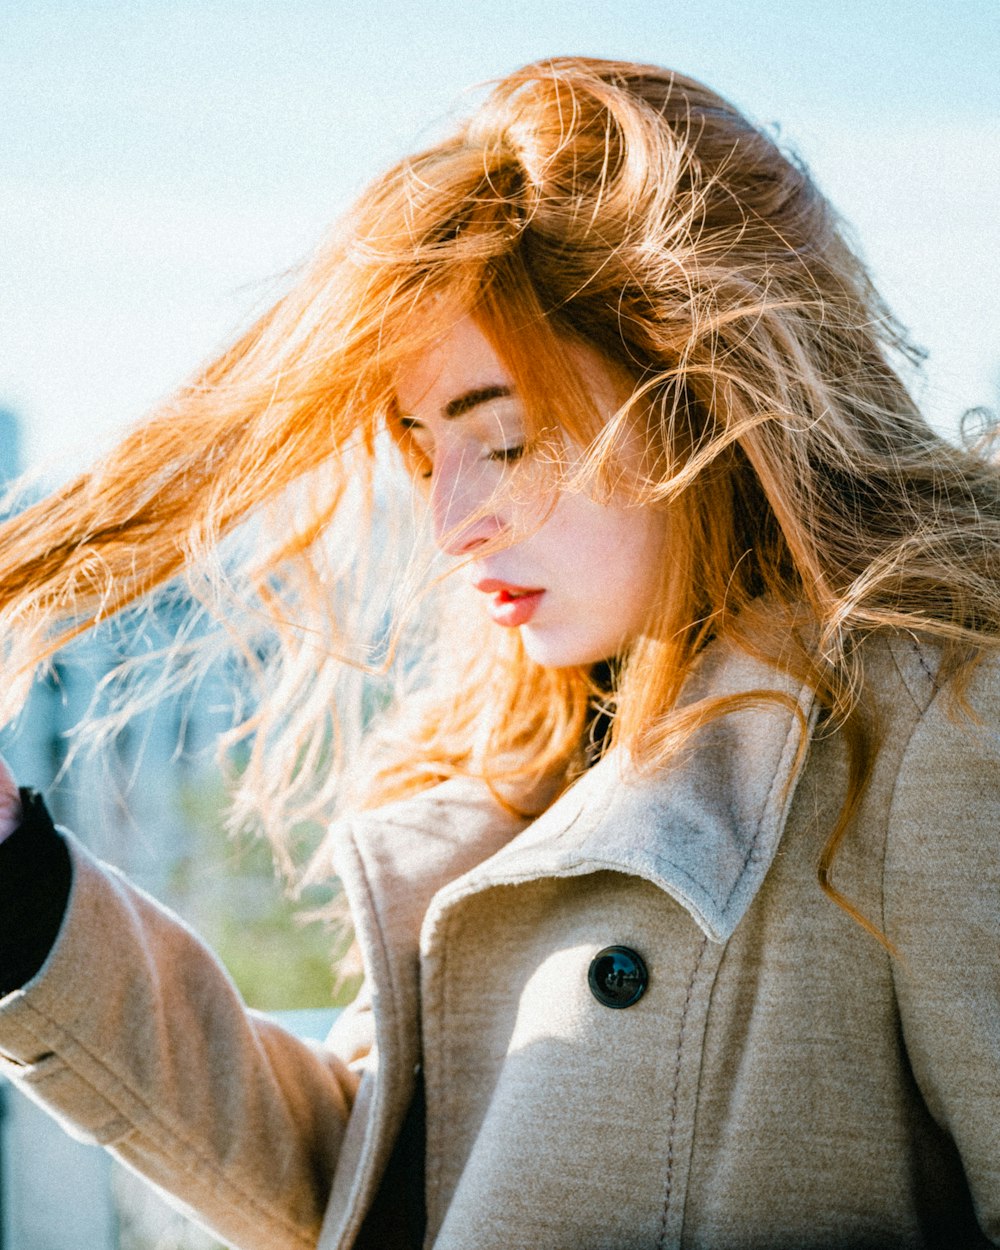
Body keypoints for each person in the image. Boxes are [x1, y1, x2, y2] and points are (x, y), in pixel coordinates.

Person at [0, 54, 998, 1250]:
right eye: (425, 452)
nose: (447, 520)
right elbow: (362, 1181)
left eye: (510, 441)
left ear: (705, 393)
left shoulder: (931, 715)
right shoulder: (512, 749)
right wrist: (19, 883)